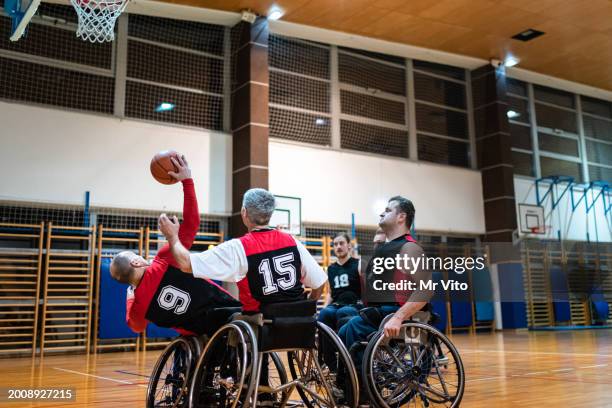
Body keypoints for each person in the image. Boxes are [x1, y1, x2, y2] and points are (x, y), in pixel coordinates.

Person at [109, 155, 240, 336]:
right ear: (136, 263)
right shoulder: (163, 260)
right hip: (229, 315)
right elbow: (192, 223)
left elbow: (136, 326)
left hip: (202, 336)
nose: (142, 257)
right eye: (137, 256)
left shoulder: (139, 306)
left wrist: (131, 296)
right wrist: (187, 181)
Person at [338, 196, 433, 348]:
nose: (382, 214)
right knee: (343, 329)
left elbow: (426, 290)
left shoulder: (409, 248)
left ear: (401, 217)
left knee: (354, 326)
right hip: (382, 311)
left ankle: (363, 372)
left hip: (400, 315)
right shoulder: (387, 249)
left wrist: (398, 317)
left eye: (388, 210)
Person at [318, 233, 362, 330]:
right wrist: (325, 306)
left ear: (349, 245)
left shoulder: (358, 264)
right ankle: (325, 345)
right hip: (336, 305)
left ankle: (343, 344)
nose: (338, 247)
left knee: (343, 312)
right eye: (335, 244)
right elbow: (330, 292)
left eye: (341, 243)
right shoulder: (330, 269)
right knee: (324, 313)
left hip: (354, 304)